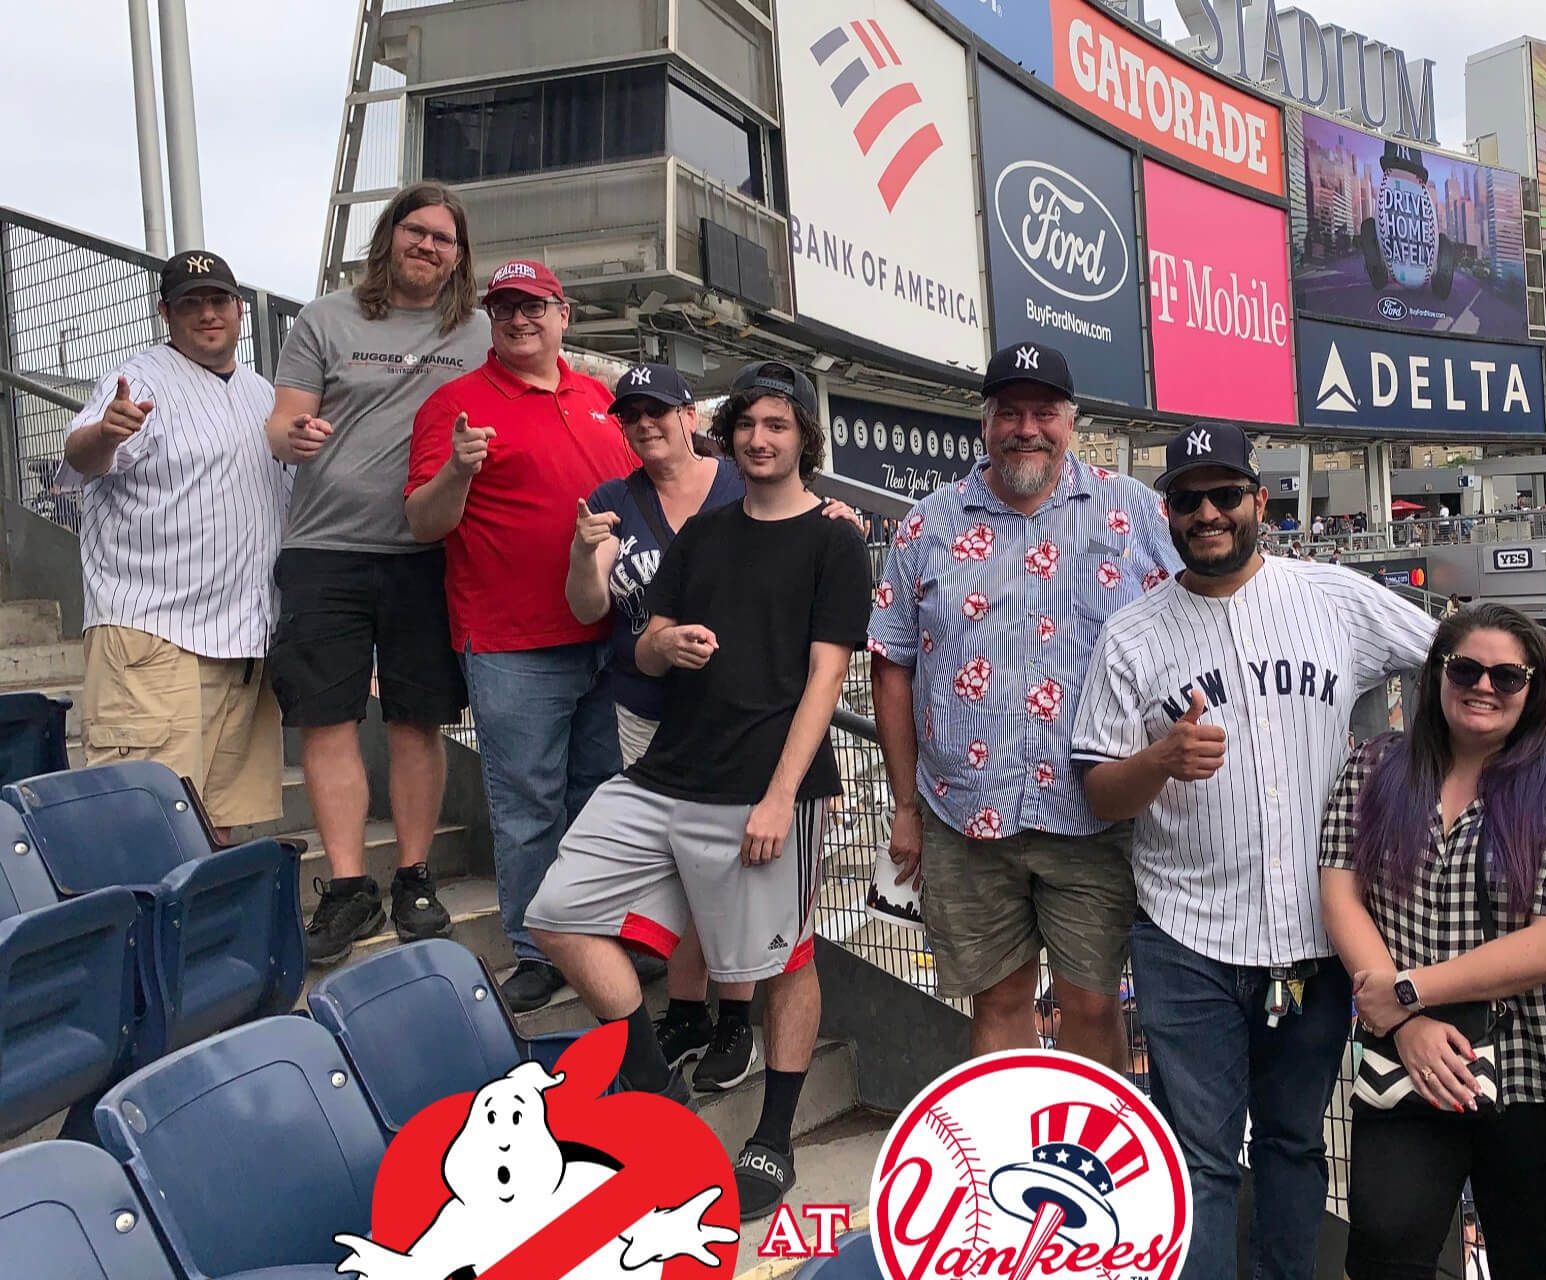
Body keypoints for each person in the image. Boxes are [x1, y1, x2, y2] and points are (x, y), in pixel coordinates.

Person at [1071, 423, 1442, 1280]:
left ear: (1257, 501)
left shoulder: (1334, 596)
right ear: (1165, 513)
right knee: (1193, 1158)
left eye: (1224, 494)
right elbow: (1097, 789)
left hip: (1315, 938)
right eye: (1187, 499)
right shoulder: (1133, 634)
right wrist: (1158, 763)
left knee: (1291, 1143)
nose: (1207, 513)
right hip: (1186, 935)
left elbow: (1471, 659)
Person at [527, 360, 869, 1218]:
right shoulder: (707, 534)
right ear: (729, 432)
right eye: (748, 424)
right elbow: (641, 643)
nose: (759, 438)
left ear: (803, 441)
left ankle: (773, 1138)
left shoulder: (835, 537)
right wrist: (663, 648)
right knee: (557, 914)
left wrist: (781, 795)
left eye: (778, 426)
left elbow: (827, 678)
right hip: (663, 772)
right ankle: (650, 1080)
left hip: (765, 784)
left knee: (783, 961)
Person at [866, 342, 1177, 1070]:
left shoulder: (1131, 512)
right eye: (1010, 412)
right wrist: (905, 807)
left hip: (1093, 812)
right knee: (998, 1001)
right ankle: (1008, 1153)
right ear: (986, 422)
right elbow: (892, 664)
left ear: (1071, 421)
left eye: (1043, 412)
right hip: (965, 815)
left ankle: (1078, 1163)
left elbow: (1189, 629)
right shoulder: (928, 524)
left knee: (1094, 1003)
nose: (1026, 428)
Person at [1320, 603, 1546, 1280]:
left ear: (1533, 690)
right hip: (1408, 1064)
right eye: (1466, 669)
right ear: (1438, 676)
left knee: (1529, 1261)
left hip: (1535, 1074)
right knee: (1383, 1250)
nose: (1484, 686)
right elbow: (1341, 893)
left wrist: (1405, 995)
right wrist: (1407, 1025)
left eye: (1507, 677)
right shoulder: (1375, 767)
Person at [405, 259, 639, 1011]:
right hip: (512, 643)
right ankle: (538, 949)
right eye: (504, 308)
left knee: (600, 798)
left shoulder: (602, 399)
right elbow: (423, 522)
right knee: (527, 804)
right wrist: (459, 473)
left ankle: (594, 936)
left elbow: (665, 484)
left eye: (534, 306)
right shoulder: (456, 405)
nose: (519, 319)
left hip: (608, 634)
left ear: (563, 314)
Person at [266, 183, 489, 965]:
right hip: (324, 549)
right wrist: (293, 433)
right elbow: (281, 420)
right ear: (389, 237)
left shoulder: (481, 332)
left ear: (460, 255)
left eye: (444, 238)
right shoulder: (325, 318)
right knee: (327, 722)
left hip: (428, 554)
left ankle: (415, 875)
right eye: (415, 231)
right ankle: (350, 886)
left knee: (416, 721)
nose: (428, 247)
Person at [56, 252, 293, 838]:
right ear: (166, 312)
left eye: (218, 301)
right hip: (153, 639)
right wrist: (105, 434)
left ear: (239, 309)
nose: (208, 314)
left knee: (220, 833)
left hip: (241, 645)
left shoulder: (262, 393)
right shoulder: (140, 380)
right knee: (143, 832)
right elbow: (80, 457)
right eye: (191, 303)